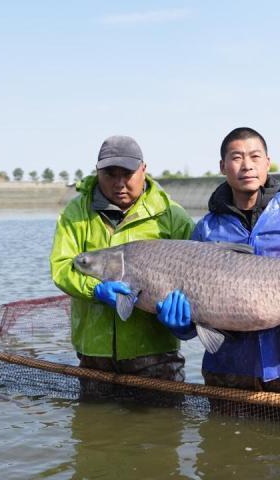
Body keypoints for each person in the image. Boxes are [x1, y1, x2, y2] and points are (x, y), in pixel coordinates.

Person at [155, 127, 280, 397]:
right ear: (222, 166)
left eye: (255, 156)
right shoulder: (206, 230)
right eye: (236, 157)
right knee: (223, 439)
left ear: (267, 163)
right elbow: (195, 314)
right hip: (227, 370)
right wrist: (183, 326)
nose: (247, 165)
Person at [50, 135, 194, 381]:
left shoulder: (171, 215)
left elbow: (202, 270)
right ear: (97, 172)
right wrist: (94, 290)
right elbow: (62, 267)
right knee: (94, 419)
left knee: (164, 419)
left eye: (127, 174)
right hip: (94, 352)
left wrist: (187, 325)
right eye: (110, 174)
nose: (119, 183)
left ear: (143, 170)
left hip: (156, 353)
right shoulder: (76, 212)